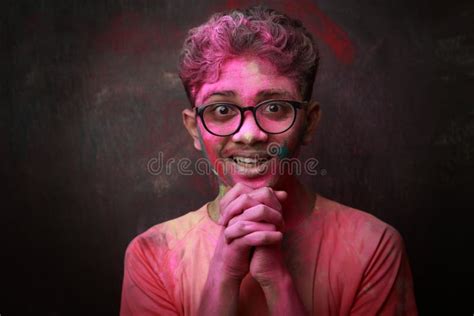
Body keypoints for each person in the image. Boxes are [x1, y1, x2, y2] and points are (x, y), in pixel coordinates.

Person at [120, 6, 417, 315]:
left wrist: (277, 281)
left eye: (275, 108)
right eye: (222, 110)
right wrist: (222, 278)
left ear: (309, 123)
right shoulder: (153, 254)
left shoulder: (373, 247)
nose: (249, 135)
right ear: (195, 129)